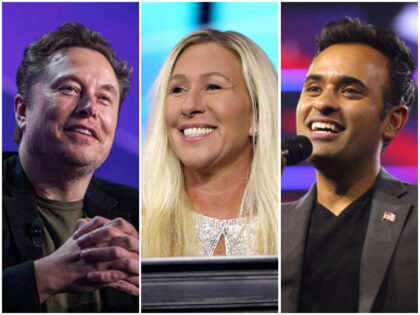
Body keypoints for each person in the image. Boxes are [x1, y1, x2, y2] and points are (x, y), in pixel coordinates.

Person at [281, 17, 417, 312]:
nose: (323, 103)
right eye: (313, 88)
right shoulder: (270, 226)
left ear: (393, 120)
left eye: (350, 91)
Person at [3, 22, 139, 312]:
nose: (90, 106)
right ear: (22, 111)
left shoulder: (142, 213)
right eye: (69, 88)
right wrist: (48, 275)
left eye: (105, 98)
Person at [142, 29, 278, 257]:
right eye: (177, 89)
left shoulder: (290, 229)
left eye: (213, 86)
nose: (189, 105)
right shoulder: (136, 228)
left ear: (257, 114)